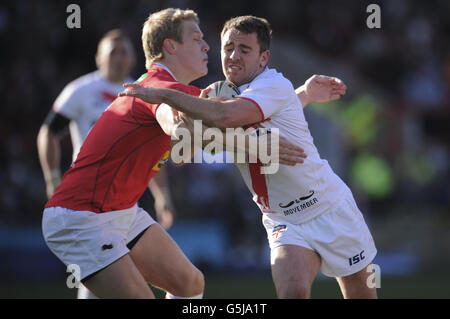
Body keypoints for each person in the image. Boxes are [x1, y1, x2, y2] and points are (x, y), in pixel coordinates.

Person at [41, 9, 306, 299]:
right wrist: (253, 145)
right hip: (80, 215)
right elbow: (175, 127)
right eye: (196, 38)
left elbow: (183, 151)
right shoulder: (156, 87)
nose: (206, 46)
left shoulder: (175, 91)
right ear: (170, 46)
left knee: (190, 284)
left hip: (120, 211)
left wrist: (301, 95)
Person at [120, 15, 377, 299]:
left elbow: (227, 116)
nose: (233, 56)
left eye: (244, 50)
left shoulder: (270, 85)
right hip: (283, 219)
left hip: (329, 207)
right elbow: (182, 154)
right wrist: (196, 127)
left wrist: (167, 97)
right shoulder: (219, 95)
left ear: (263, 57)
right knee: (293, 293)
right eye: (228, 47)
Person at [37, 29, 175, 299]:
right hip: (87, 196)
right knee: (104, 269)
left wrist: (163, 196)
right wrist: (52, 178)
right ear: (98, 58)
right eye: (113, 52)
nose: (120, 58)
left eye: (125, 52)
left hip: (125, 197)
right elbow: (48, 133)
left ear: (134, 58)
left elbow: (152, 154)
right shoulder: (81, 90)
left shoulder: (141, 92)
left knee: (112, 270)